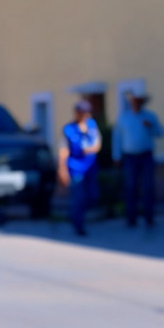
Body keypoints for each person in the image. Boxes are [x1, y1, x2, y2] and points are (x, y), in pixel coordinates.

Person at [112, 87, 161, 227]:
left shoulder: (149, 116)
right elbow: (117, 137)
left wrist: (150, 126)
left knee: (148, 187)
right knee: (131, 187)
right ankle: (131, 219)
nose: (136, 104)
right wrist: (116, 155)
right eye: (134, 101)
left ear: (142, 103)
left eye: (138, 101)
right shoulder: (124, 117)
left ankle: (149, 218)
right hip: (130, 157)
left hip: (146, 156)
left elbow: (159, 132)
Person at [58, 99, 103, 236]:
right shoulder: (69, 129)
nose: (84, 115)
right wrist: (62, 169)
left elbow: (97, 145)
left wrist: (90, 149)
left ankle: (77, 216)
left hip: (90, 168)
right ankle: (78, 224)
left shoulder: (92, 126)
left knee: (93, 195)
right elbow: (64, 150)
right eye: (81, 112)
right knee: (78, 197)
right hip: (76, 168)